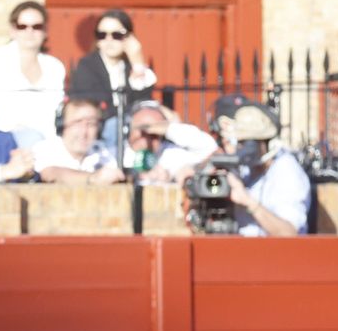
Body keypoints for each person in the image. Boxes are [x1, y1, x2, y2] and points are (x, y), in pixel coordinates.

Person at [193, 99, 310, 237]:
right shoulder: (247, 168)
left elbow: (289, 233)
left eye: (247, 143)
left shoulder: (287, 172)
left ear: (266, 142)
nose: (242, 149)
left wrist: (248, 201)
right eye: (239, 142)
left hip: (275, 255)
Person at [0, 0, 65, 148]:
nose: (29, 32)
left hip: (48, 143)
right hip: (3, 140)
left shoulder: (55, 67)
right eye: (22, 26)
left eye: (37, 27)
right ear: (12, 30)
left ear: (45, 31)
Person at [70, 8, 156, 149]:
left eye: (116, 35)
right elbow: (98, 108)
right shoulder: (87, 66)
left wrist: (137, 62)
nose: (108, 40)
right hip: (100, 131)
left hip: (131, 128)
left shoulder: (129, 67)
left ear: (129, 38)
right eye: (102, 35)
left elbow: (144, 103)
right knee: (115, 124)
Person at [31, 98, 124, 185]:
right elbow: (49, 174)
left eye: (91, 124)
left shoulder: (103, 153)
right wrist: (92, 178)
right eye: (77, 123)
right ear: (61, 124)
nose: (84, 132)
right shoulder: (45, 149)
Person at [122, 100, 217, 184]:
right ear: (128, 129)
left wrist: (170, 129)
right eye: (142, 130)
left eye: (153, 134)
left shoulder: (170, 154)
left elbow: (209, 147)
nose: (147, 138)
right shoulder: (117, 154)